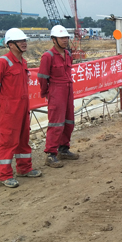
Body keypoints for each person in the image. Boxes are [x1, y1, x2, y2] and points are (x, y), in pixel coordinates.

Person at [0, 28, 42, 188]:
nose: (24, 43)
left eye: (24, 40)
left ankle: (24, 168)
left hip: (23, 107)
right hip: (9, 109)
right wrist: (5, 100)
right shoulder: (2, 62)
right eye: (20, 41)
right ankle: (4, 175)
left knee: (23, 138)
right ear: (10, 44)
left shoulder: (22, 62)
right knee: (7, 140)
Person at [38, 25, 79, 168]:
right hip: (56, 91)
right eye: (61, 38)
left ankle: (63, 149)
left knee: (69, 121)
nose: (65, 40)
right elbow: (42, 77)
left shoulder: (68, 54)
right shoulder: (47, 56)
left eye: (66, 37)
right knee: (56, 123)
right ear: (54, 40)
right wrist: (46, 92)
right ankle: (51, 154)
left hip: (68, 90)